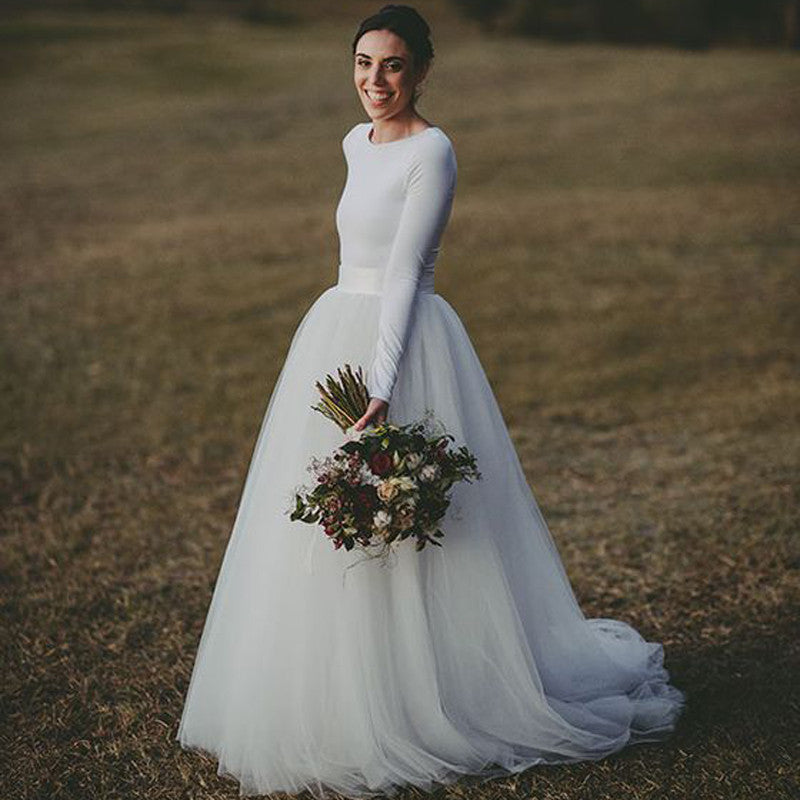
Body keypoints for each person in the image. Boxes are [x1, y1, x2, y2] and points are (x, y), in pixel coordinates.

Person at [175, 5, 686, 798]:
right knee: (321, 510)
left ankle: (432, 690)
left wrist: (383, 387)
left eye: (393, 66)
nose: (375, 82)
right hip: (335, 325)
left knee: (414, 513)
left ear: (421, 71)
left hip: (403, 343)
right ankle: (332, 686)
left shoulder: (435, 150)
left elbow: (407, 272)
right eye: (363, 64)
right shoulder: (354, 141)